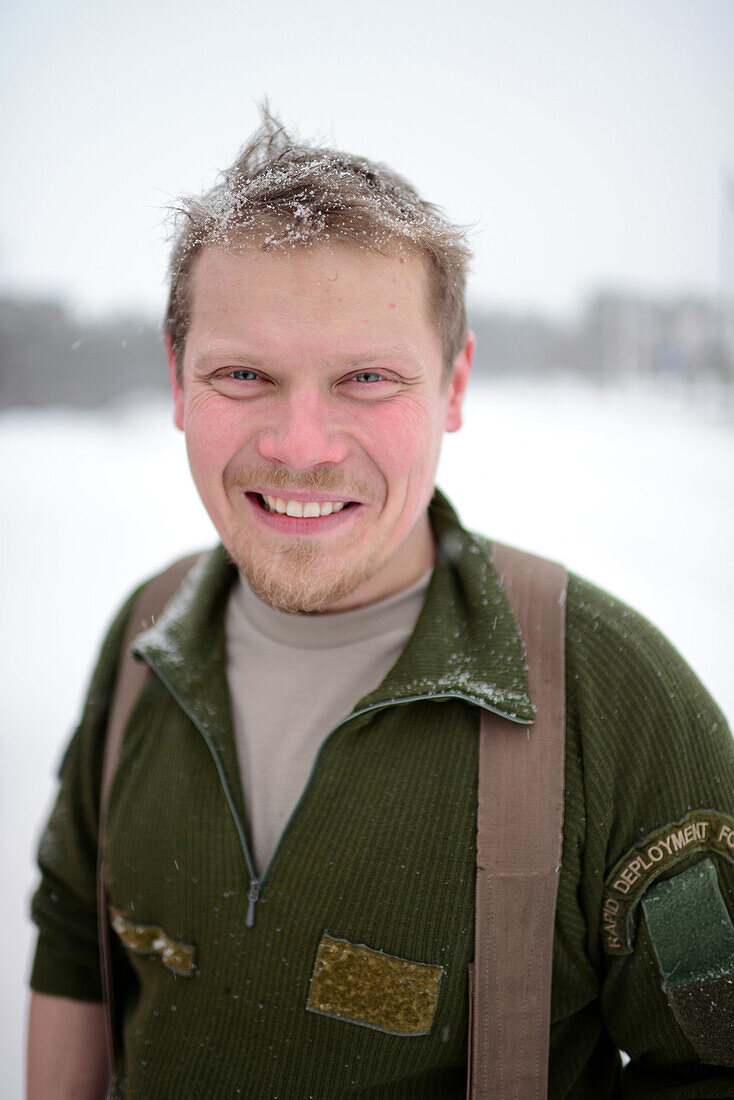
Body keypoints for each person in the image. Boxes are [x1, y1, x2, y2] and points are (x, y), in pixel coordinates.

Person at [27, 112, 734, 1099]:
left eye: (366, 377)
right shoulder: (144, 637)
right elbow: (73, 937)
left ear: (452, 383)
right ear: (176, 381)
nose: (302, 442)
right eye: (243, 373)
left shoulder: (610, 695)